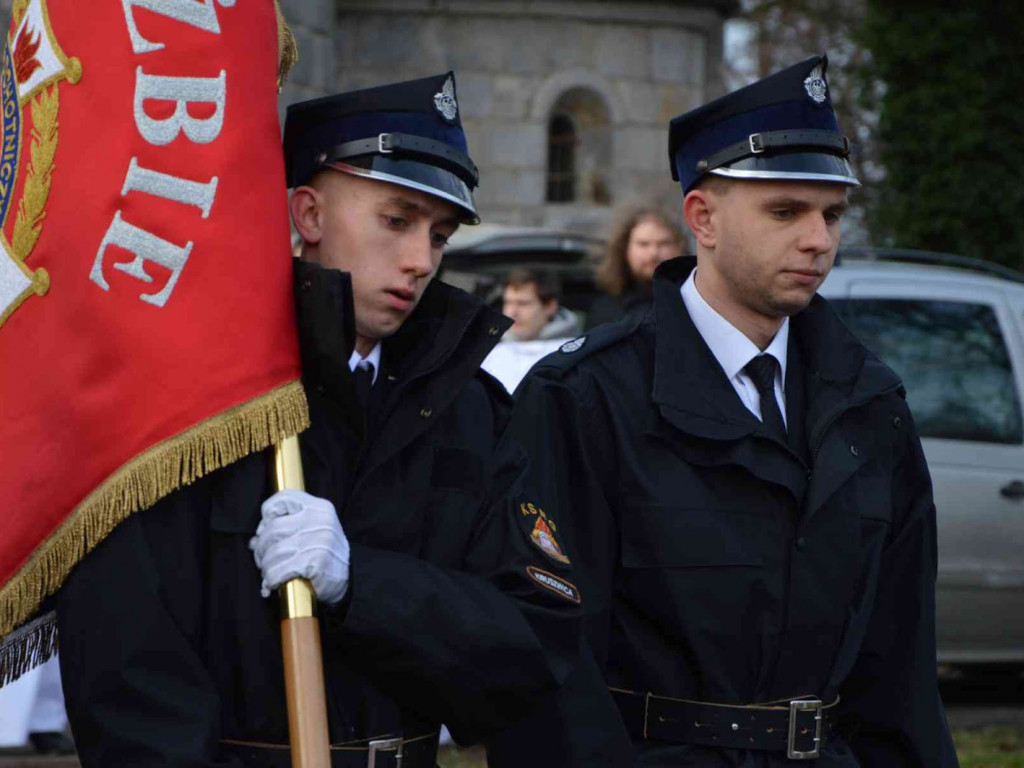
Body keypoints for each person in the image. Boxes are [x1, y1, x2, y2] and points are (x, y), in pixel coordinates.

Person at [56, 72, 623, 768]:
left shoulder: (465, 409)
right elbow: (130, 682)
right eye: (396, 220)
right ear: (310, 214)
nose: (421, 261)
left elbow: (530, 652)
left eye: (440, 236)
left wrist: (367, 584)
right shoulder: (185, 407)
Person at [507, 55, 960, 765]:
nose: (819, 240)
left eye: (832, 214)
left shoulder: (870, 406)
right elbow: (551, 673)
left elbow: (899, 672)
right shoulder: (587, 397)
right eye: (786, 211)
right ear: (702, 217)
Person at [482, 268, 582, 392]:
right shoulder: (491, 355)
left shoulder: (574, 355)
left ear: (550, 306)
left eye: (523, 303)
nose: (512, 312)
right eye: (508, 302)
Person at [587, 206, 684, 328]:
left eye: (664, 244)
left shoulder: (694, 302)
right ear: (625, 248)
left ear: (679, 247)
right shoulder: (605, 308)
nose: (653, 253)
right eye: (643, 244)